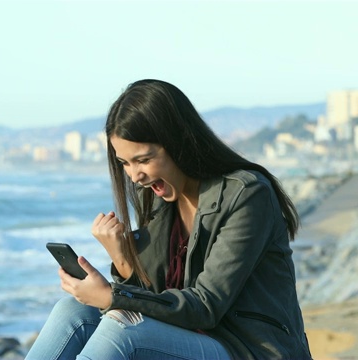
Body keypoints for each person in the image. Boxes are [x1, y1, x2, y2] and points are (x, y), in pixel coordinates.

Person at [25, 79, 312, 359]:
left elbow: (205, 306)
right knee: (72, 312)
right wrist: (123, 261)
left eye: (144, 160)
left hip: (246, 348)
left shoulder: (246, 195)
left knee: (122, 332)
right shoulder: (161, 198)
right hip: (189, 338)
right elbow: (157, 300)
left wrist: (112, 296)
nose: (135, 176)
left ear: (179, 142)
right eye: (125, 163)